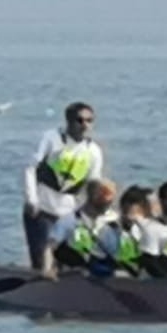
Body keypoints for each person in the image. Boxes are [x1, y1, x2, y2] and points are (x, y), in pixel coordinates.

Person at [23, 102, 106, 270]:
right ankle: (39, 286)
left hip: (68, 215)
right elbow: (30, 167)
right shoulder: (51, 138)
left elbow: (93, 185)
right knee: (42, 261)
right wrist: (32, 200)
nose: (85, 125)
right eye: (79, 120)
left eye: (89, 121)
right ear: (68, 121)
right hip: (42, 211)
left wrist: (93, 215)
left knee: (69, 261)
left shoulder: (93, 151)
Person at [41, 179, 119, 279]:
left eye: (111, 200)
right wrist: (47, 269)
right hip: (74, 277)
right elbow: (49, 248)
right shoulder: (69, 220)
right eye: (105, 199)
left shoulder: (112, 225)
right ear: (93, 196)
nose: (109, 204)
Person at [112, 184, 150, 275]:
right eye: (126, 213)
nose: (129, 218)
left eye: (134, 215)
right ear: (121, 208)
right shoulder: (110, 230)